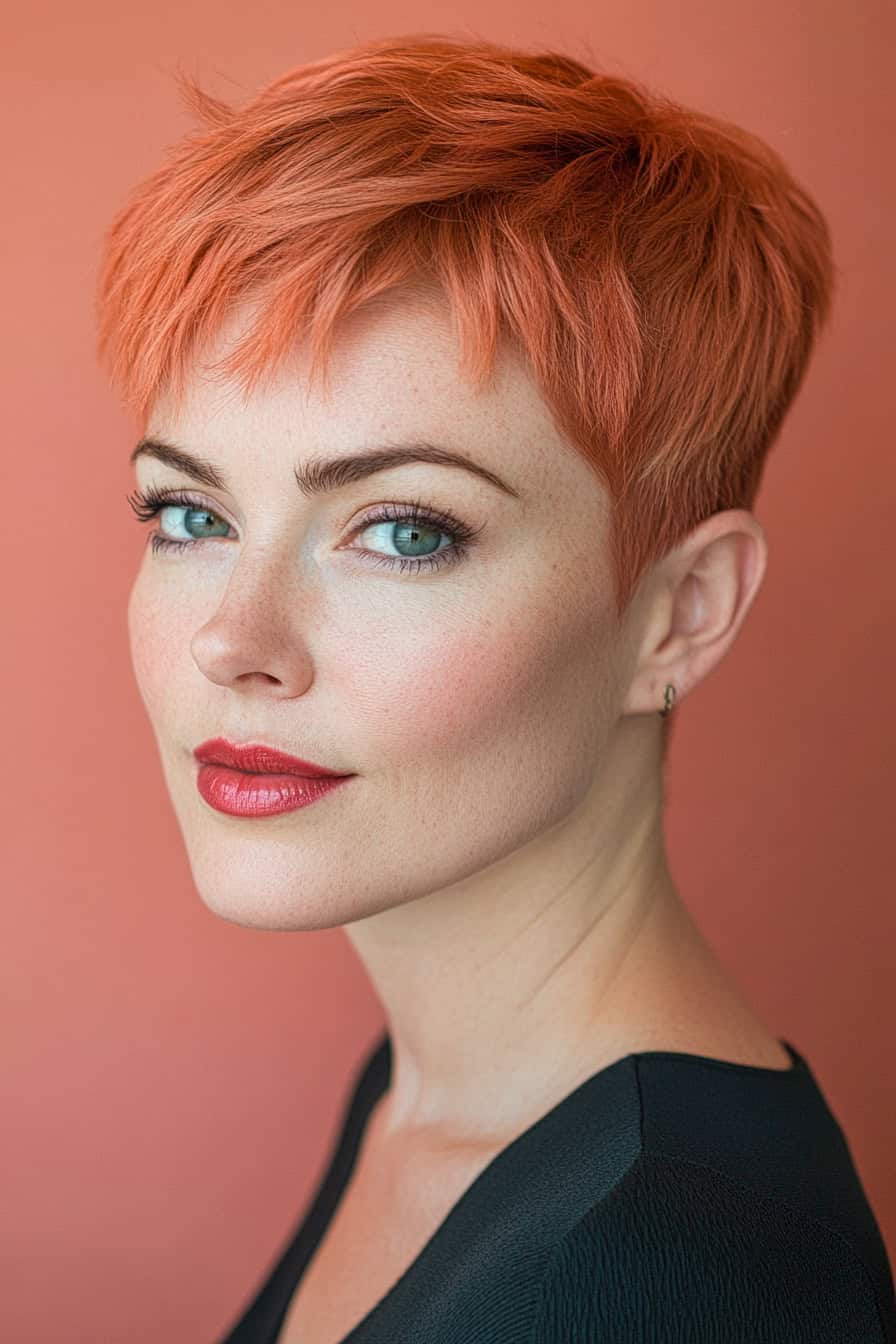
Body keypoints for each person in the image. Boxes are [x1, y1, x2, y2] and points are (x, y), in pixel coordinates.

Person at [95, 32, 895, 1344]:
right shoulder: (445, 1099)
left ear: (679, 615)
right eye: (189, 513)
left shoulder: (664, 1274)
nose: (235, 639)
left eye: (407, 529)